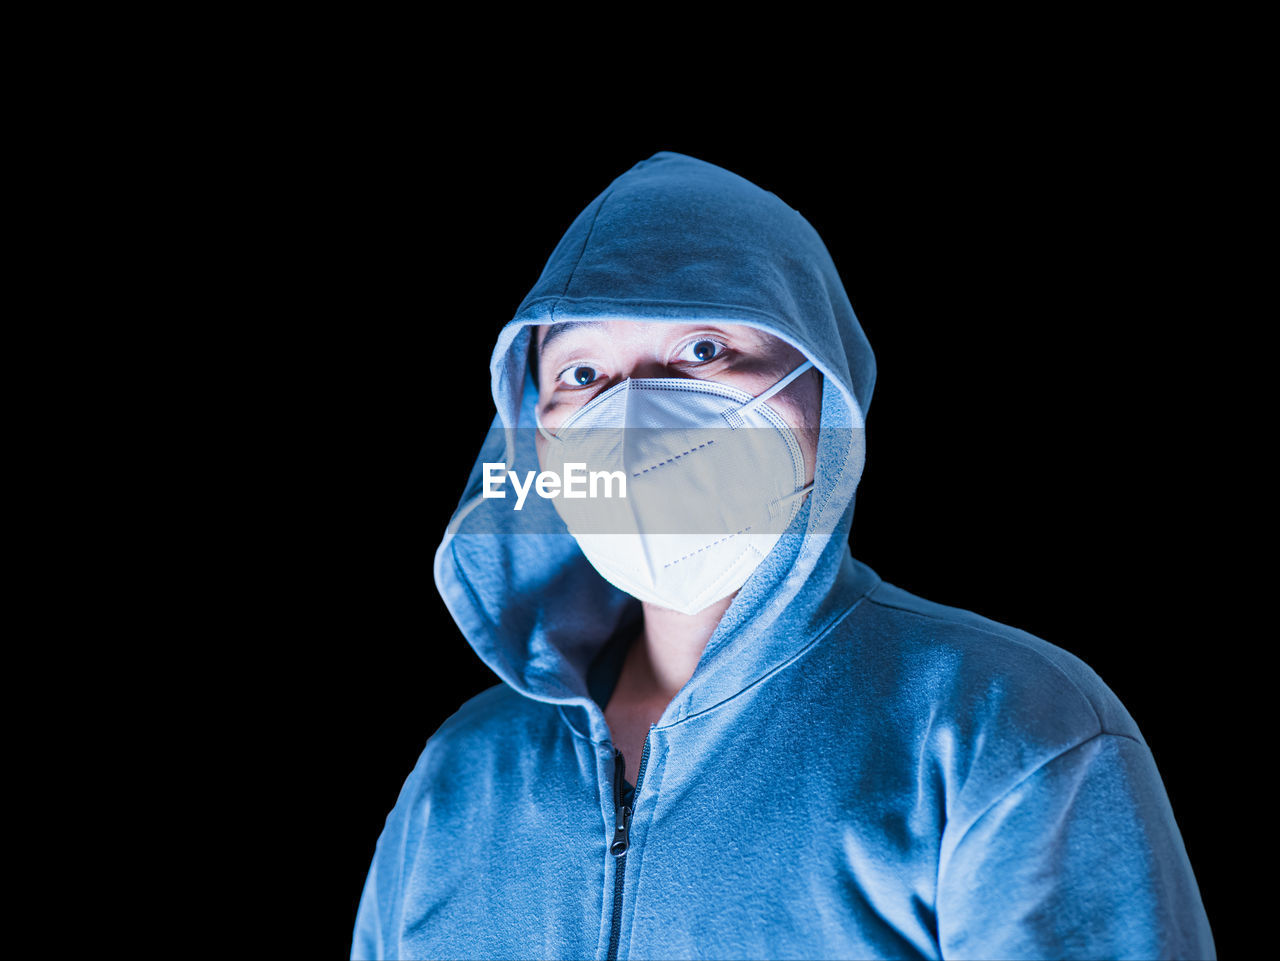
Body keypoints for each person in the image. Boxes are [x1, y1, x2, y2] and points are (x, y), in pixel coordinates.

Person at [351, 151, 1214, 959]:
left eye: (701, 351)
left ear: (821, 388)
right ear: (531, 438)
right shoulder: (456, 780)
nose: (634, 412)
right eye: (580, 374)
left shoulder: (1003, 728)